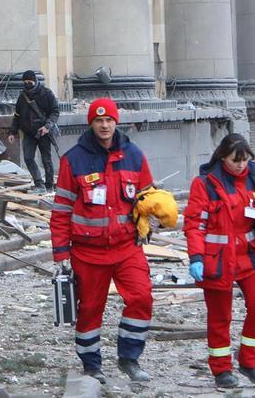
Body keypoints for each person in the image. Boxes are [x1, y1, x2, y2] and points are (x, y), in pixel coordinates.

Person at [50, 97, 154, 383]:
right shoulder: (73, 160)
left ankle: (129, 358)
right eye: (98, 120)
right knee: (90, 310)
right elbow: (61, 211)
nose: (104, 125)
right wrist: (61, 254)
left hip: (127, 248)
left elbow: (148, 198)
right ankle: (91, 365)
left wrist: (157, 214)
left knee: (141, 298)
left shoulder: (134, 155)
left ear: (116, 122)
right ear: (91, 124)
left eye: (108, 119)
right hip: (88, 253)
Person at [183, 133, 255, 389]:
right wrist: (196, 257)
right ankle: (221, 370)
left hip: (250, 256)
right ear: (222, 157)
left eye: (245, 159)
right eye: (235, 160)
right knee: (220, 316)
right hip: (218, 260)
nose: (240, 165)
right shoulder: (205, 183)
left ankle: (250, 362)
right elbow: (195, 224)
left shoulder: (254, 178)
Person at [7, 69, 61, 193]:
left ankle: (49, 185)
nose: (27, 83)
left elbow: (55, 111)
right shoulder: (22, 97)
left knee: (46, 159)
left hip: (43, 132)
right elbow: (17, 116)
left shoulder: (46, 93)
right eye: (25, 81)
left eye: (29, 81)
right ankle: (38, 183)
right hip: (29, 133)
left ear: (35, 81)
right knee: (28, 157)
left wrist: (47, 126)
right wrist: (12, 132)